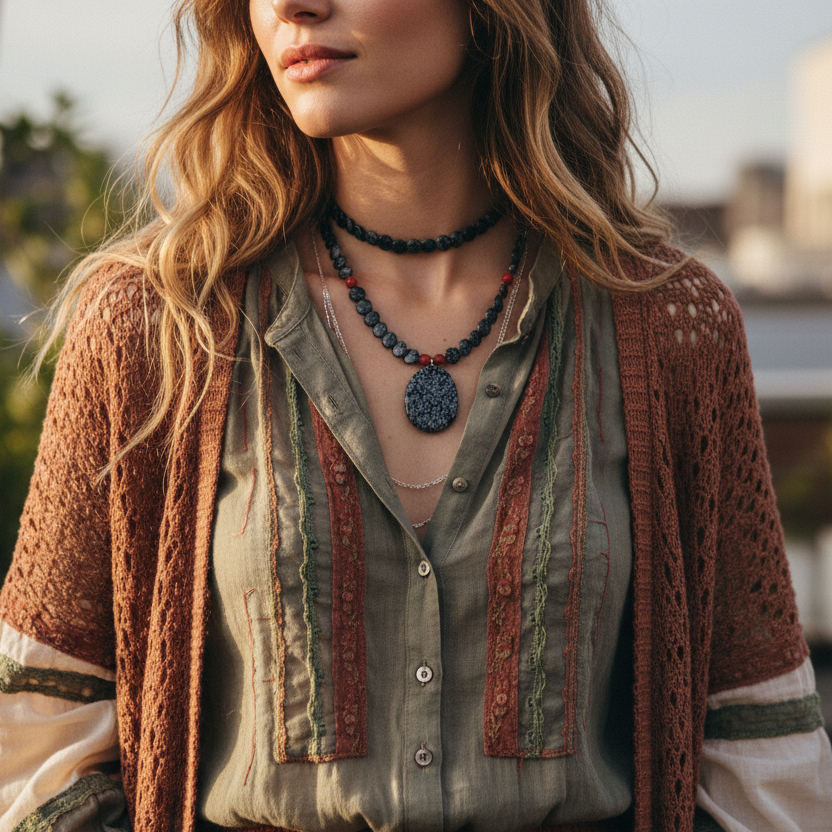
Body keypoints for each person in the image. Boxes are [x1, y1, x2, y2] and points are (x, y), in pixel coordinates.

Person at [1, 0, 830, 830]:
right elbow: (35, 748)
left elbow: (762, 752)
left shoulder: (666, 326)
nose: (294, 6)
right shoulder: (156, 325)